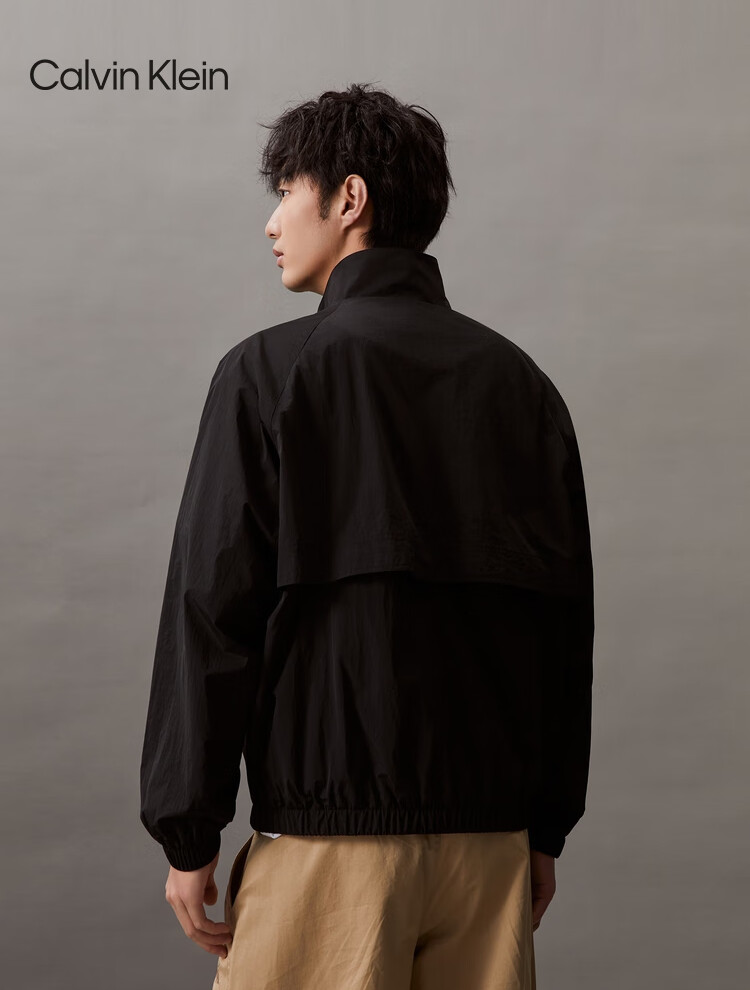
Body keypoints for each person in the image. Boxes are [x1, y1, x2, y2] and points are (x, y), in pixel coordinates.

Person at [139, 82, 595, 990]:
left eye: (287, 192)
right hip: (490, 853)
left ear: (349, 199)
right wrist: (541, 830)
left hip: (331, 853)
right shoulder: (523, 384)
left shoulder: (269, 373)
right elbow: (562, 631)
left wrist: (188, 831)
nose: (272, 222)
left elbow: (212, 610)